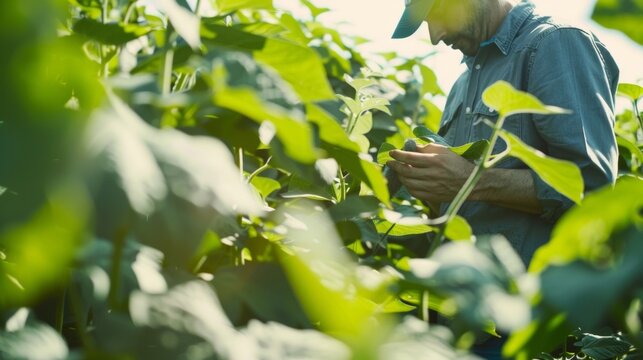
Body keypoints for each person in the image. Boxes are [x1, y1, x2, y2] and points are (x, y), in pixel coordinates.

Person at [386, 0, 619, 358]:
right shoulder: (464, 83)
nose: (435, 37)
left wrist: (470, 182)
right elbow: (465, 204)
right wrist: (425, 183)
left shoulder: (556, 42)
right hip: (464, 324)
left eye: (437, 16)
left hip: (529, 330)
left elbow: (591, 190)